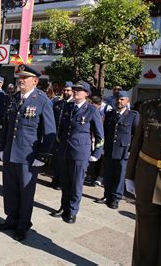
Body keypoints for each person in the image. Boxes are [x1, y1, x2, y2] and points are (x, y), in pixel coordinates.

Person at [0, 64, 56, 241]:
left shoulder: (42, 100)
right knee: (10, 189)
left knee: (26, 193)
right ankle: (11, 219)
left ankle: (23, 225)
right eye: (20, 77)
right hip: (11, 153)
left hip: (28, 156)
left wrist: (42, 156)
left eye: (25, 78)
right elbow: (6, 126)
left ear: (35, 81)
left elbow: (49, 131)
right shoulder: (14, 99)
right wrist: (2, 148)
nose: (21, 80)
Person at [125, 63, 161, 266]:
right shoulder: (148, 108)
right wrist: (129, 175)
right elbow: (137, 144)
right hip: (147, 179)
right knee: (144, 235)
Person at [51, 81, 104, 224]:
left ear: (86, 94)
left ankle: (73, 211)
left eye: (79, 90)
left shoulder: (91, 110)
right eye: (74, 90)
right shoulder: (68, 106)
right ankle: (64, 207)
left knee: (76, 183)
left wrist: (97, 152)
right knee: (65, 181)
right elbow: (62, 127)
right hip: (65, 150)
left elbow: (99, 134)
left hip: (80, 151)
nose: (75, 92)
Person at [94, 91, 139, 209]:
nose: (119, 101)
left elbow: (136, 135)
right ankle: (106, 195)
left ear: (127, 101)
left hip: (123, 150)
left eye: (122, 99)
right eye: (118, 99)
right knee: (107, 173)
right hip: (109, 149)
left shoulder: (133, 115)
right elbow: (104, 131)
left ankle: (115, 198)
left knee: (119, 176)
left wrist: (131, 150)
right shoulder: (110, 114)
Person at [50, 81, 74, 189]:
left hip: (66, 137)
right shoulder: (58, 103)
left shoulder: (73, 105)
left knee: (63, 161)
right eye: (64, 90)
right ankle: (55, 179)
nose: (66, 92)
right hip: (55, 135)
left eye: (68, 90)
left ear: (72, 91)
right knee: (56, 159)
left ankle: (61, 181)